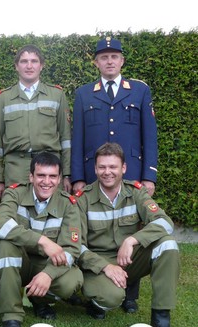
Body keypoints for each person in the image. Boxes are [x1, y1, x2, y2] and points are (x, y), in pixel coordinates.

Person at [71, 36, 158, 312]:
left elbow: (149, 136)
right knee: (94, 232)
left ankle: (130, 293)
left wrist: (149, 177)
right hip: (93, 173)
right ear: (96, 62)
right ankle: (95, 281)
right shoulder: (84, 93)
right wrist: (77, 177)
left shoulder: (139, 91)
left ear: (122, 61)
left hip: (129, 174)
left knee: (131, 228)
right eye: (104, 57)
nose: (109, 61)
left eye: (114, 56)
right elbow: (78, 139)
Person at [76, 142, 179, 327]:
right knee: (113, 297)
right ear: (95, 169)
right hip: (99, 264)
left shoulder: (137, 193)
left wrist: (133, 240)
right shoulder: (83, 199)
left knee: (168, 245)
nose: (107, 172)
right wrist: (106, 266)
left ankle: (161, 321)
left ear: (123, 168)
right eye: (102, 167)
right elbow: (75, 245)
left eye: (113, 167)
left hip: (130, 258)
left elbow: (164, 222)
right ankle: (95, 300)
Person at [0, 153, 83, 327]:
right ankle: (11, 317)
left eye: (52, 177)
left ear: (59, 180)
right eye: (41, 175)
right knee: (6, 245)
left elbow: (71, 249)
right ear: (31, 177)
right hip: (20, 261)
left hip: (45, 264)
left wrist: (48, 274)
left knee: (71, 281)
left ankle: (39, 299)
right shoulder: (14, 193)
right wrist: (43, 241)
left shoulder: (69, 204)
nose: (46, 182)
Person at [0, 45, 72, 198]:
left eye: (34, 61)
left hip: (50, 168)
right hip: (16, 170)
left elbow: (66, 138)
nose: (29, 66)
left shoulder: (56, 95)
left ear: (41, 66)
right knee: (17, 215)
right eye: (24, 61)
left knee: (52, 215)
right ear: (16, 66)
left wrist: (66, 174)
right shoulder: (3, 98)